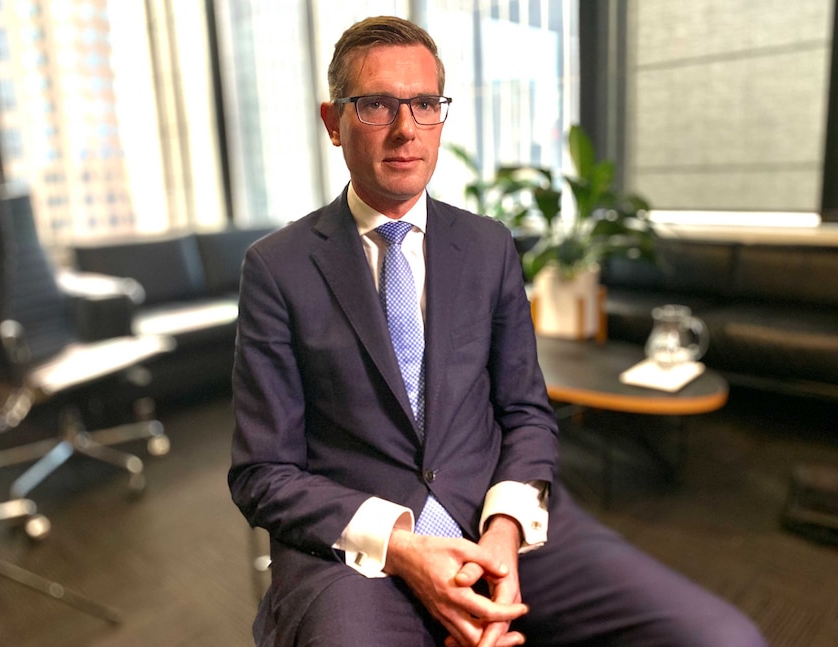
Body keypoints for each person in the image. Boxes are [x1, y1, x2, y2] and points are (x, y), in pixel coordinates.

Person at [229, 15, 768, 647]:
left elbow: (526, 411)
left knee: (722, 639)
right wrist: (401, 545)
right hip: (358, 553)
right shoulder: (277, 267)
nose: (407, 129)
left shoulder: (487, 246)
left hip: (499, 522)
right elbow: (263, 472)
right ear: (333, 121)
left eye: (425, 104)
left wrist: (504, 535)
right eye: (377, 105)